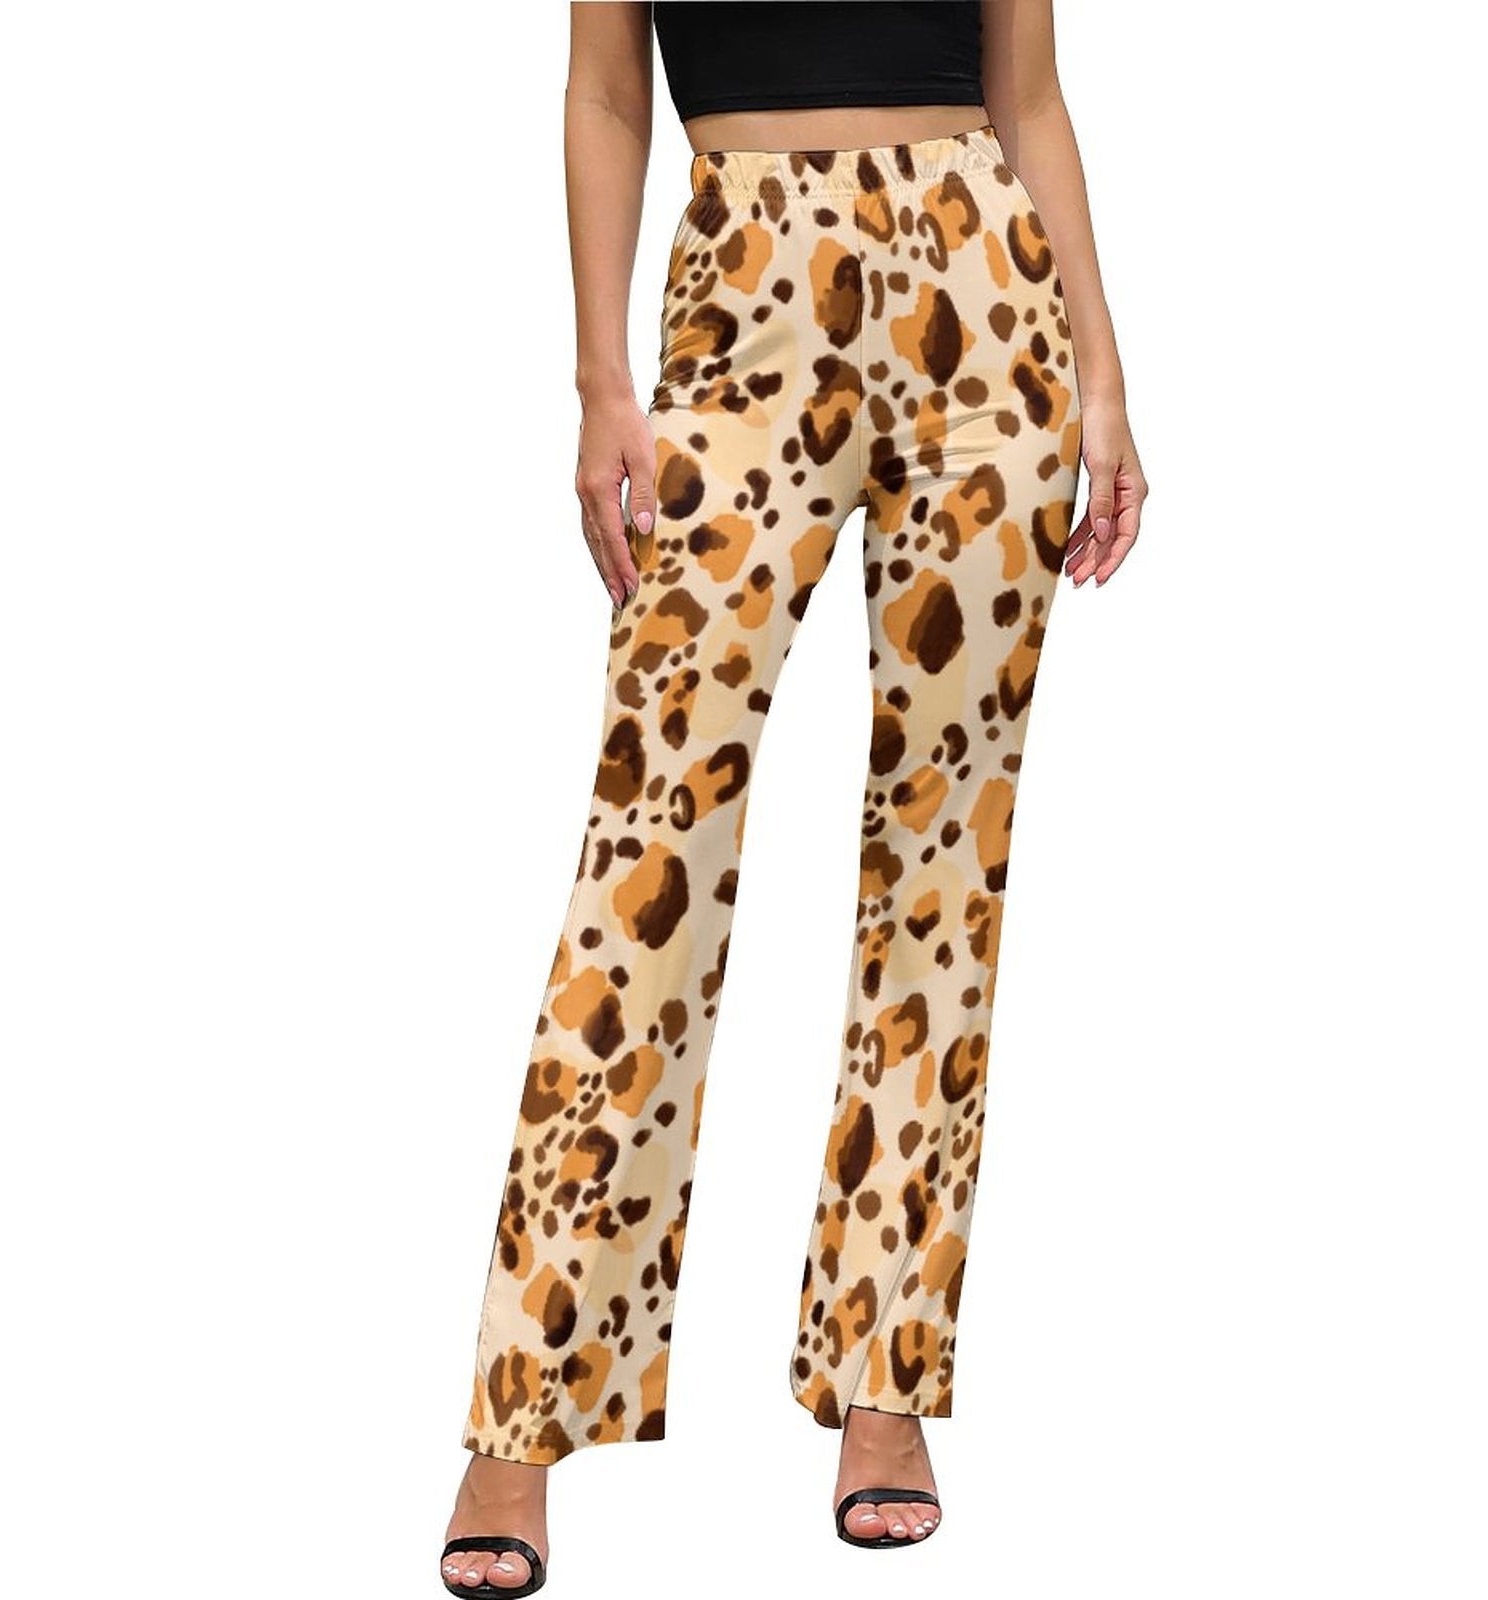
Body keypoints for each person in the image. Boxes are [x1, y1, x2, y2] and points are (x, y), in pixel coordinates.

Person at [440, 2, 1147, 1591]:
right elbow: (605, 94)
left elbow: (1031, 97)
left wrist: (1102, 376)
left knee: (943, 863)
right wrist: (600, 380)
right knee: (647, 854)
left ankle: (885, 1383)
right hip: (742, 297)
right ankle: (522, 1411)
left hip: (984, 301)